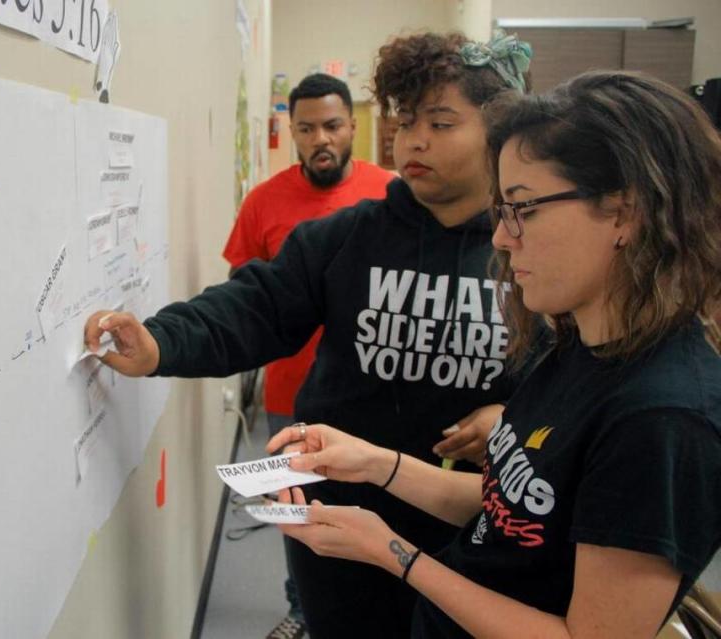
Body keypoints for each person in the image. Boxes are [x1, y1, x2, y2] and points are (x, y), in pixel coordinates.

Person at [84, 31, 533, 637]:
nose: (413, 140)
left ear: (500, 132)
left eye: (442, 123)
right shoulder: (351, 234)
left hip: (471, 518)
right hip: (339, 509)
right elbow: (256, 306)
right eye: (405, 121)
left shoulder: (531, 249)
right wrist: (162, 342)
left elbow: (578, 372)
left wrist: (514, 416)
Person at [269, 69, 721, 638]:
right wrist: (376, 463)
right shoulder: (580, 346)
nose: (504, 238)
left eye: (523, 209)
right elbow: (513, 512)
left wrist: (394, 554)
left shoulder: (663, 420)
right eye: (502, 210)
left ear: (624, 213)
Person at [223, 72, 395, 638]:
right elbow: (244, 294)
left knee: (375, 503)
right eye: (306, 129)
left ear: (352, 127)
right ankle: (303, 610)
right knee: (298, 511)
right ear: (291, 132)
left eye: (332, 125)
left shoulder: (389, 195)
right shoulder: (264, 202)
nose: (321, 139)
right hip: (291, 396)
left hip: (373, 392)